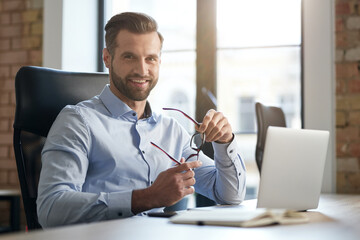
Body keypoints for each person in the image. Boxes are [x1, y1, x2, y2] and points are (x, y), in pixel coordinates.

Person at [37, 12, 246, 228]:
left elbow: (229, 196)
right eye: (129, 57)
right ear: (107, 58)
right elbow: (51, 209)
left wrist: (225, 142)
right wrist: (147, 197)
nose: (142, 70)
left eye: (150, 58)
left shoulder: (171, 130)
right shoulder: (77, 122)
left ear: (159, 62)